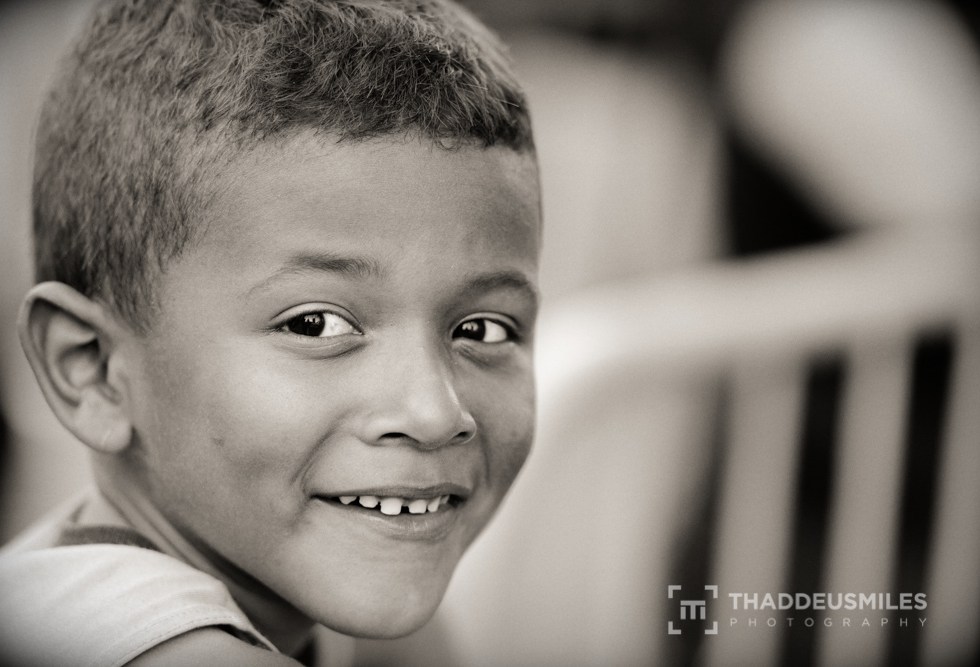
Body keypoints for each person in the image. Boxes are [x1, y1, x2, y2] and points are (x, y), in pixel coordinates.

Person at [0, 1, 540, 665]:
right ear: (93, 367)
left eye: (483, 328)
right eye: (316, 324)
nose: (435, 413)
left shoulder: (326, 602)